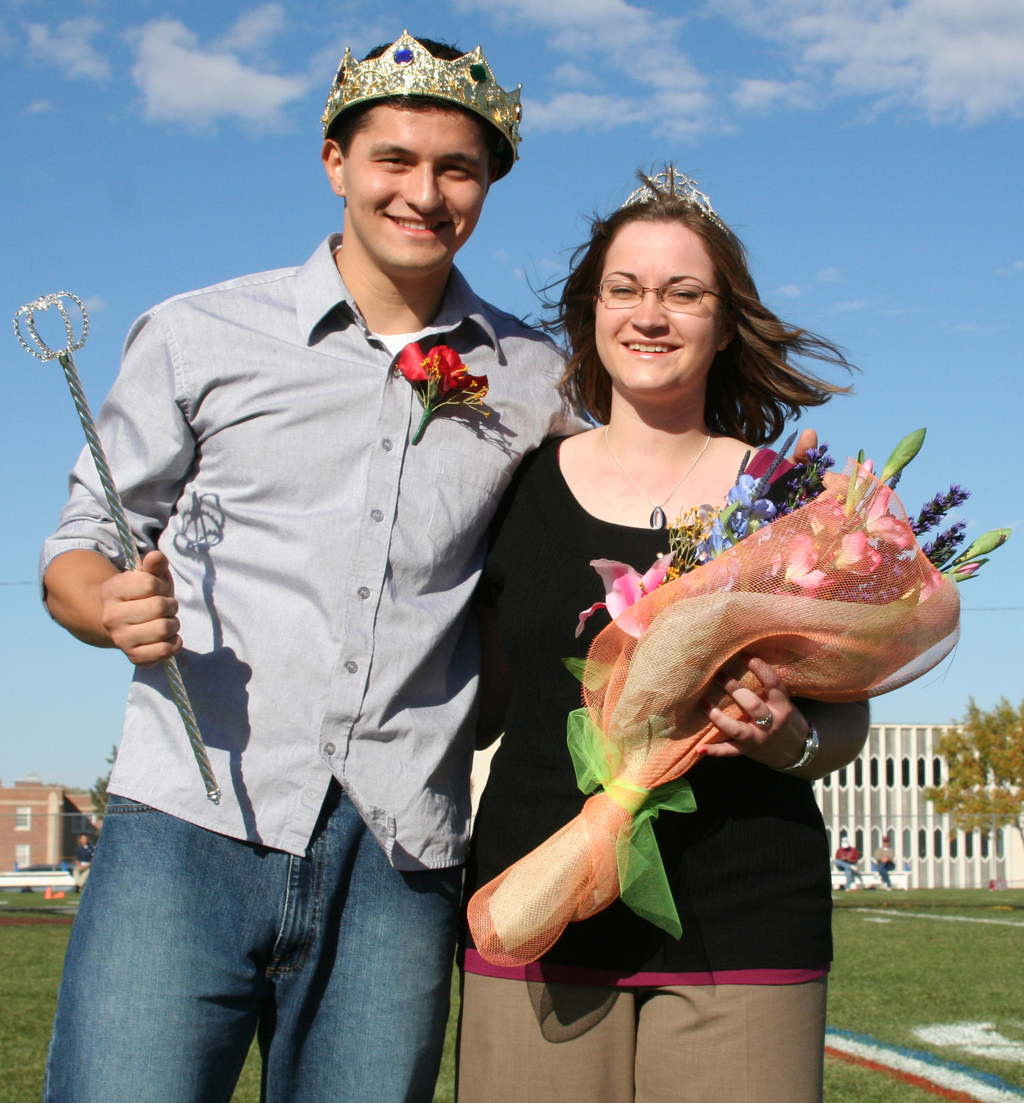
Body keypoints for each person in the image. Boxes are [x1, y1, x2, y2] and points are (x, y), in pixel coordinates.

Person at [38, 33, 578, 1103]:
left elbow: (566, 563)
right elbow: (78, 547)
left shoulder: (534, 380)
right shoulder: (198, 334)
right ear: (335, 163)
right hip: (188, 825)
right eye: (393, 159)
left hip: (400, 852)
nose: (422, 193)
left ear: (488, 185)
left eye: (457, 169)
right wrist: (108, 607)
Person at [457, 168, 871, 1103]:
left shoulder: (790, 498)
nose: (652, 315)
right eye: (626, 289)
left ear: (725, 323)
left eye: (684, 294)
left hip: (744, 927)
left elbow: (847, 722)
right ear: (591, 311)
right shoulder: (514, 484)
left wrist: (786, 738)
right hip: (539, 907)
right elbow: (482, 694)